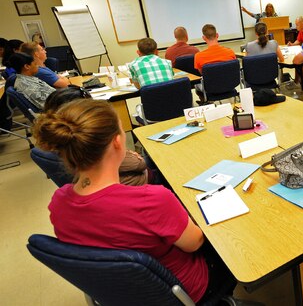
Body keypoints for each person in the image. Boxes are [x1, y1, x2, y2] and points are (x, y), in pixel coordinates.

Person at [34, 99, 236, 303]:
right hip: (186, 290)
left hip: (120, 293)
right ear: (117, 141)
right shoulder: (152, 200)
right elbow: (195, 243)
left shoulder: (58, 203)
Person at [43, 87, 154, 186]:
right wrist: (131, 154)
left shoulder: (62, 144)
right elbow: (140, 164)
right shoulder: (95, 145)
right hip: (138, 183)